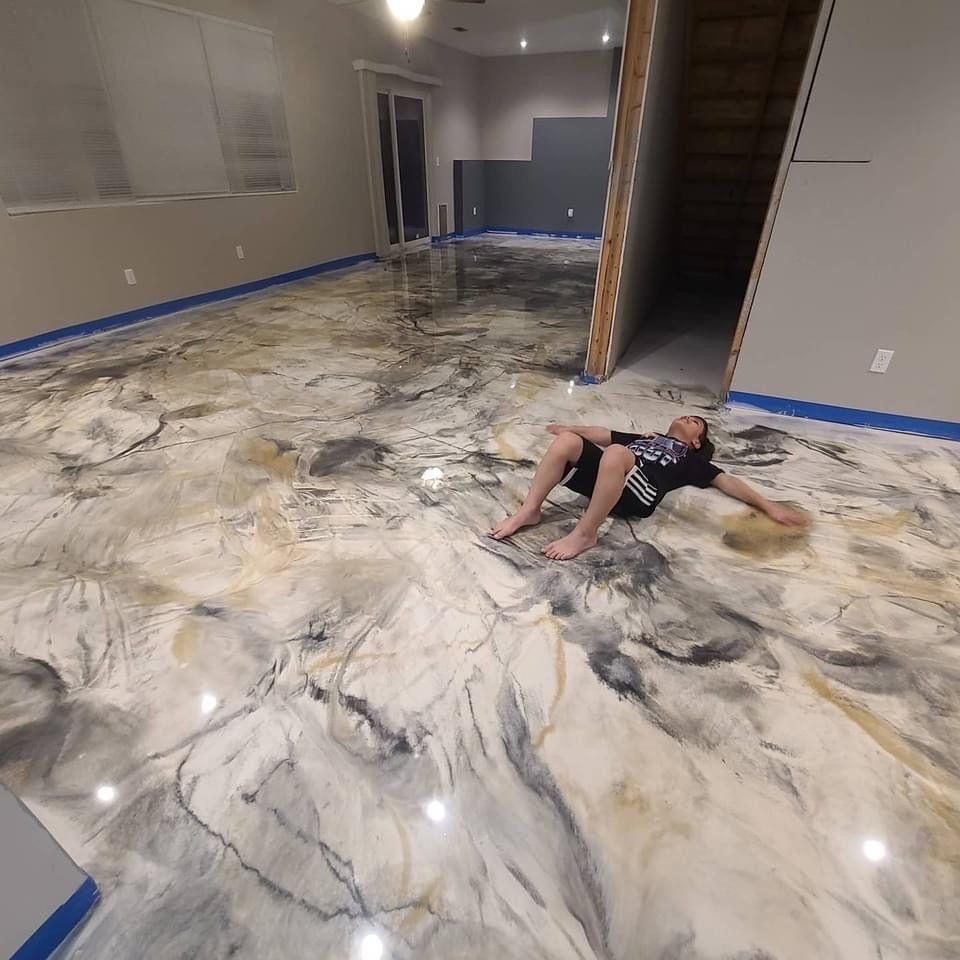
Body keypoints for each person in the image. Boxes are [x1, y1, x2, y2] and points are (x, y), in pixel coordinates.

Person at [490, 415, 807, 560]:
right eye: (687, 416)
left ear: (696, 442)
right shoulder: (645, 439)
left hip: (640, 494)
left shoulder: (689, 459)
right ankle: (530, 510)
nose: (688, 418)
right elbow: (601, 433)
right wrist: (568, 428)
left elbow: (727, 481)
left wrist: (769, 506)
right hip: (611, 479)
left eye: (695, 423)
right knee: (568, 442)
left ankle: (585, 533)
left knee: (616, 453)